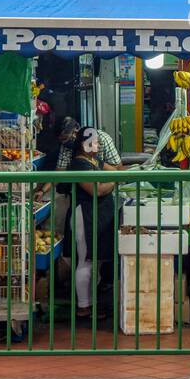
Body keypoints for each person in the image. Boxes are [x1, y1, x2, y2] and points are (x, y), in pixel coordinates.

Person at [65, 126, 118, 320]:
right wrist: (115, 180)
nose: (97, 145)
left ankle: (90, 302)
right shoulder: (80, 164)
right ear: (83, 144)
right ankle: (83, 307)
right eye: (94, 142)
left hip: (95, 217)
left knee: (93, 261)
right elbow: (97, 190)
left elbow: (116, 170)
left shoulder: (94, 160)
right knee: (85, 261)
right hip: (84, 216)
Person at [56, 117, 122, 171]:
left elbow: (117, 168)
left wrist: (110, 182)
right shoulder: (81, 161)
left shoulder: (102, 139)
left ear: (75, 133)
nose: (64, 143)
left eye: (65, 139)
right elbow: (60, 172)